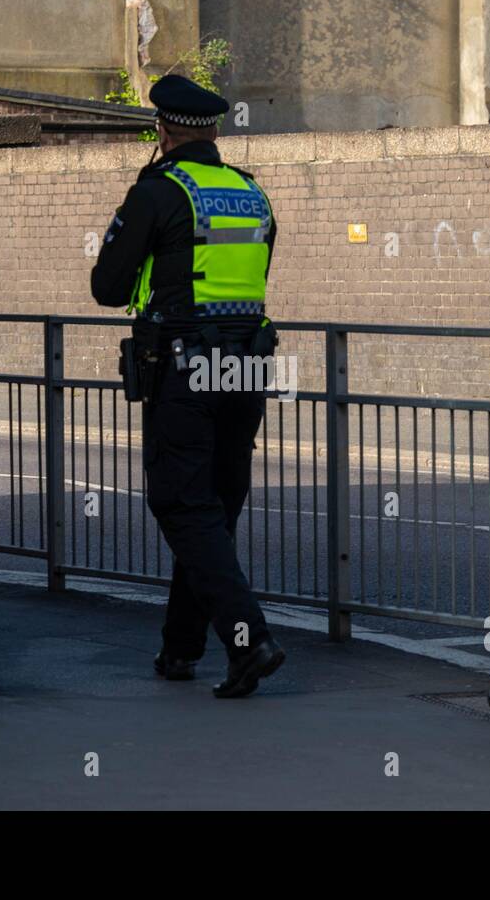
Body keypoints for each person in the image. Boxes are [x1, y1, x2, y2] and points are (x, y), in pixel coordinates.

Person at [90, 74, 285, 699]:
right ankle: (181, 648)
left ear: (163, 131)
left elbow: (109, 287)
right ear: (214, 131)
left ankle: (250, 641)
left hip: (187, 364)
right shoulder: (253, 195)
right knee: (213, 506)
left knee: (181, 502)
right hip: (247, 365)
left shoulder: (159, 191)